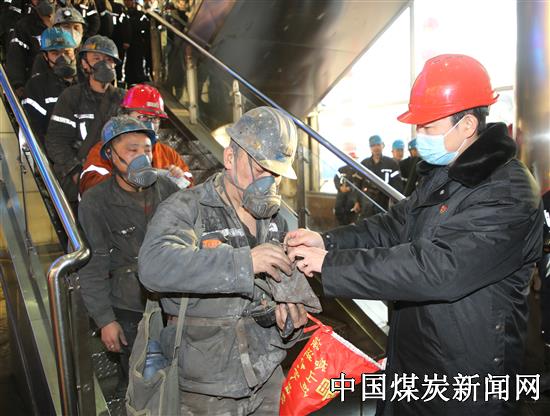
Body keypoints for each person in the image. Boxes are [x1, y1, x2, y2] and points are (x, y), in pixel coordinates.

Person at [285, 54, 543, 416]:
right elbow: (394, 225)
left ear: (467, 125)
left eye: (428, 127)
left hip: (467, 380)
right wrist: (328, 242)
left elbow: (438, 269)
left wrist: (332, 265)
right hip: (415, 362)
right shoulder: (444, 173)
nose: (419, 136)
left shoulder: (508, 191)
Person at [138, 106, 309, 415]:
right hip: (206, 386)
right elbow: (153, 266)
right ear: (230, 158)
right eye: (261, 169)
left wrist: (289, 316)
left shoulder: (276, 220)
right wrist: (245, 262)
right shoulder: (188, 208)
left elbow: (283, 290)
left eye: (276, 174)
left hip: (266, 376)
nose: (269, 182)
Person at [78, 115, 179, 390]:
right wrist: (105, 320)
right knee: (138, 379)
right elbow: (93, 266)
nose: (142, 157)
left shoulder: (167, 189)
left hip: (173, 297)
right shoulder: (96, 202)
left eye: (147, 150)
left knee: (177, 376)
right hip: (128, 306)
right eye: (132, 150)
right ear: (110, 154)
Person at [46, 34, 124, 206]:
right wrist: (77, 174)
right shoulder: (72, 96)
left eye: (108, 59)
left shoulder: (124, 99)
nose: (104, 64)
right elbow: (56, 140)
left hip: (117, 181)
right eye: (96, 58)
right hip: (80, 183)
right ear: (84, 64)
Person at [80, 84, 193, 195]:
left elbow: (190, 189)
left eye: (155, 119)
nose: (150, 125)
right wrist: (129, 179)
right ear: (125, 116)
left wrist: (178, 178)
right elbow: (90, 187)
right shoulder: (107, 150)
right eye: (143, 117)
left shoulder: (167, 154)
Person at [22, 27, 77, 150]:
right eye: (55, 53)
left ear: (74, 52)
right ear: (45, 56)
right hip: (54, 156)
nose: (63, 58)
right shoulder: (36, 86)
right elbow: (35, 131)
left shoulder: (88, 83)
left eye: (67, 52)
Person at [5, 0, 54, 97]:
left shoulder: (67, 22)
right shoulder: (24, 25)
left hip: (62, 86)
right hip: (36, 88)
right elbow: (16, 57)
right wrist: (18, 85)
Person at [359, 134, 402, 217]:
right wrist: (356, 201)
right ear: (370, 147)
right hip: (367, 203)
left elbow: (398, 185)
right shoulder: (364, 164)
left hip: (385, 201)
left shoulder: (391, 163)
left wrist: (395, 202)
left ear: (383, 145)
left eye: (378, 144)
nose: (376, 148)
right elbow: (358, 184)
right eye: (373, 145)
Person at [122, 0, 150, 86]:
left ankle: (138, 80)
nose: (127, 2)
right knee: (128, 63)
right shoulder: (124, 13)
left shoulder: (141, 15)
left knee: (138, 63)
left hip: (138, 42)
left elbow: (142, 27)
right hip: (127, 43)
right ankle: (129, 80)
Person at [333, 150, 362, 226]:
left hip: (353, 198)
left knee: (351, 217)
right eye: (350, 158)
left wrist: (350, 189)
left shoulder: (359, 171)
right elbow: (336, 179)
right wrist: (340, 188)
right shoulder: (341, 169)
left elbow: (360, 184)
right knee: (339, 213)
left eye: (354, 158)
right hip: (341, 196)